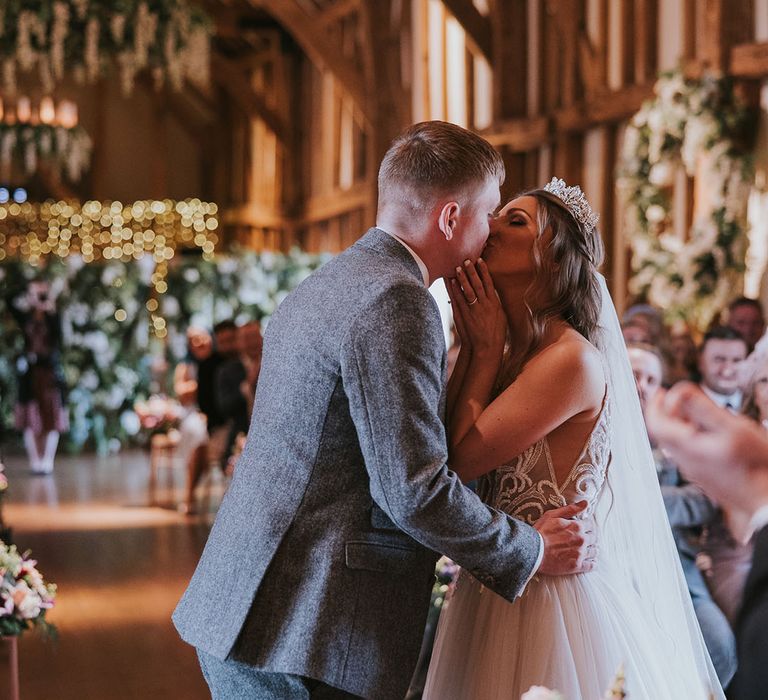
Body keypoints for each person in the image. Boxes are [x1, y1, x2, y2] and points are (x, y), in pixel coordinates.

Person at [173, 122, 594, 700]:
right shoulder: (399, 300)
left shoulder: (331, 280)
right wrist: (534, 549)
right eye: (488, 212)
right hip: (307, 627)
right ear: (450, 219)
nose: (491, 228)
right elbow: (413, 492)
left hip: (254, 606)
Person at [424, 179, 722, 699]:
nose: (490, 226)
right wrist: (480, 348)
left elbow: (460, 460)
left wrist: (484, 350)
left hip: (549, 603)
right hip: (503, 581)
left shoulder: (570, 360)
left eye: (515, 222)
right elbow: (443, 450)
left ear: (554, 259)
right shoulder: (514, 354)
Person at [646, 383, 768, 700]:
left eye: (649, 378)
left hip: (683, 567)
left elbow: (700, 498)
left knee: (720, 646)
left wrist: (757, 486)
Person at [627, 342, 736, 686]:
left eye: (650, 378)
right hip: (617, 573)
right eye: (633, 374)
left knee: (720, 646)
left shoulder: (675, 438)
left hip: (676, 572)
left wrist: (641, 501)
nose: (641, 385)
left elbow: (706, 495)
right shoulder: (588, 431)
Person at [8, 279, 68, 474]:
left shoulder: (54, 316)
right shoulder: (25, 317)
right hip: (30, 373)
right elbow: (8, 300)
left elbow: (60, 339)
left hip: (50, 373)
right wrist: (29, 292)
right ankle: (35, 460)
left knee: (52, 415)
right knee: (30, 416)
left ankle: (47, 461)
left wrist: (50, 308)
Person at [181, 320, 237, 514]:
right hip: (215, 423)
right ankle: (190, 494)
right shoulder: (203, 366)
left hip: (229, 422)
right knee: (200, 439)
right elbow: (205, 403)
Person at [216, 320, 263, 470]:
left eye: (255, 337)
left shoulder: (274, 364)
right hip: (240, 436)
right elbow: (224, 407)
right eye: (247, 339)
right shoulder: (227, 371)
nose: (252, 343)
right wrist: (246, 387)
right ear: (239, 343)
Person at [698, 326, 748, 411]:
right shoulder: (682, 406)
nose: (728, 369)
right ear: (701, 362)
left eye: (737, 360)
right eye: (719, 359)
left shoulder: (760, 405)